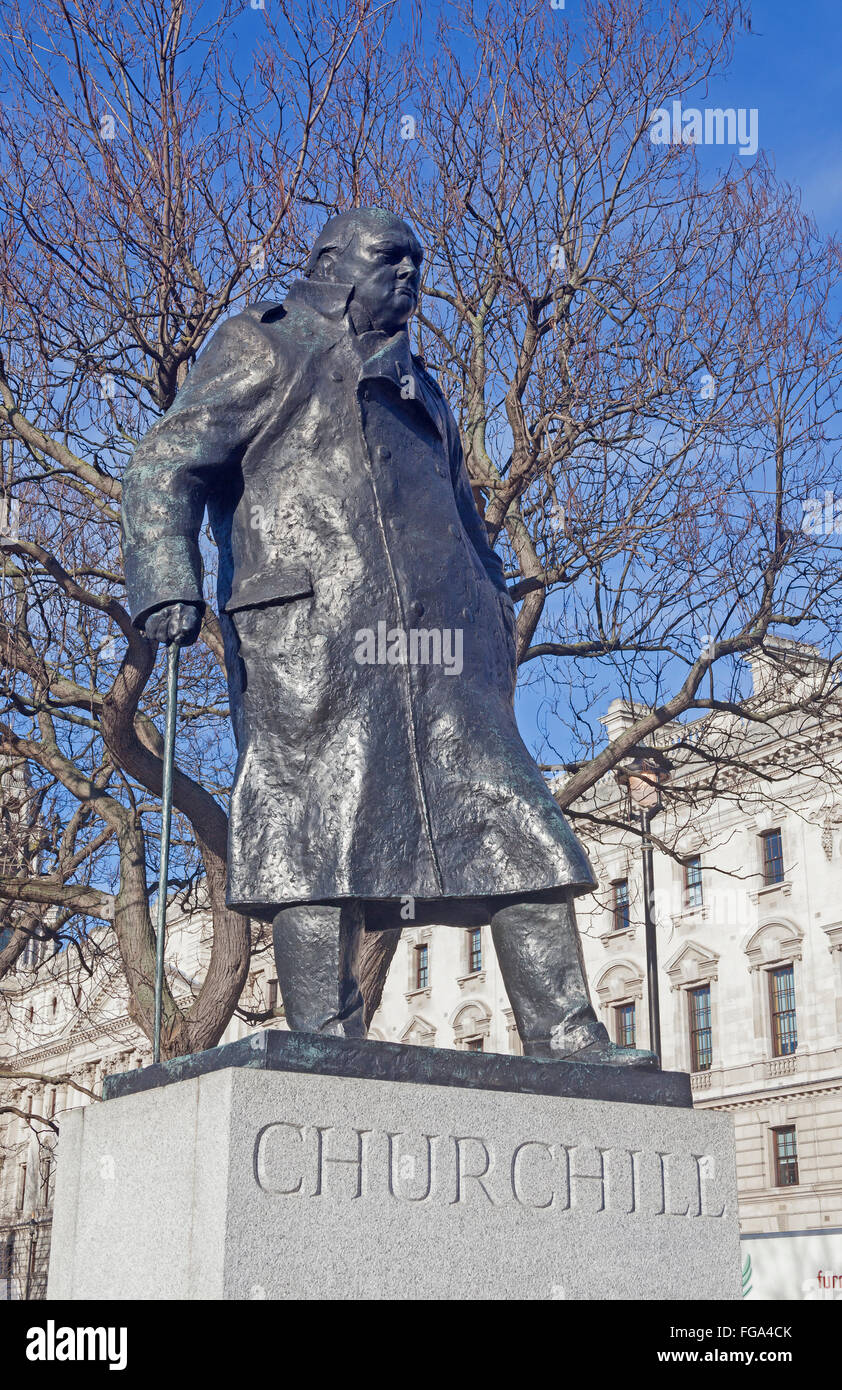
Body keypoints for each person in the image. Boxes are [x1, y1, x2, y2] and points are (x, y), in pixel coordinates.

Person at [121, 207, 656, 1067]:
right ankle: (322, 1035)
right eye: (390, 258)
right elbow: (164, 463)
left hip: (443, 658)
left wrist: (490, 612)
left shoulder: (425, 384)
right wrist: (165, 583)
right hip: (314, 640)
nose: (410, 274)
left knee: (518, 825)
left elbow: (467, 519)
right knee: (315, 828)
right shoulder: (264, 346)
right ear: (333, 262)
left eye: (419, 261)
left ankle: (567, 1033)